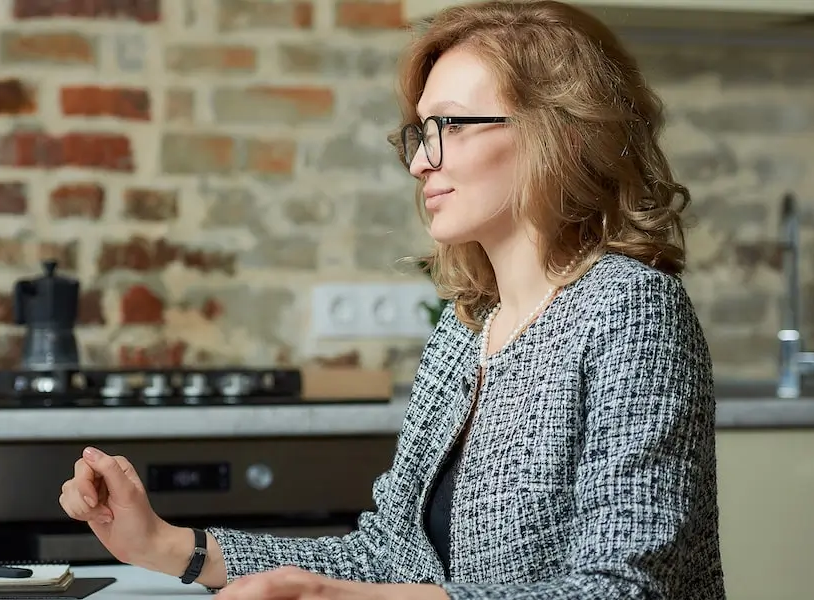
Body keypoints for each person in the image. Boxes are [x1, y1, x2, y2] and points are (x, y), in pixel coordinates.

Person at [58, 1, 726, 599]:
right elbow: (387, 558)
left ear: (565, 131)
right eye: (420, 131)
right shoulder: (468, 331)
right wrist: (167, 545)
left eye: (453, 125)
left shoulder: (630, 309)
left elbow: (627, 589)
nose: (419, 163)